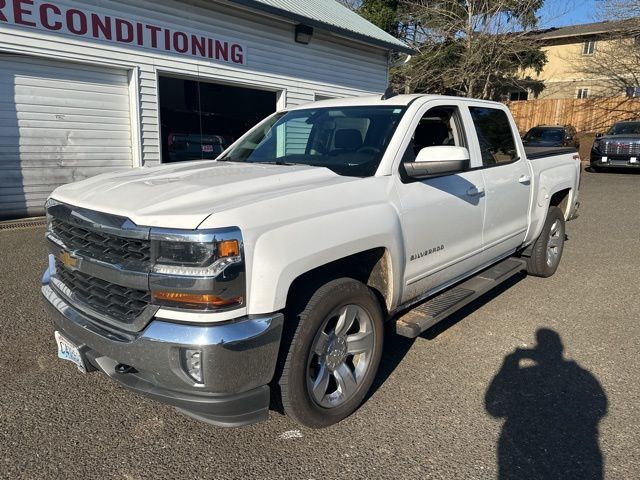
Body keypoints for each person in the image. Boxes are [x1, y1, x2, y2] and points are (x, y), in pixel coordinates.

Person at [485, 329, 607, 479]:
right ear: (560, 348)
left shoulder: (526, 373)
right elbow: (598, 406)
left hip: (524, 447)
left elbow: (494, 408)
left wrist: (510, 361)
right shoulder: (581, 375)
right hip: (577, 449)